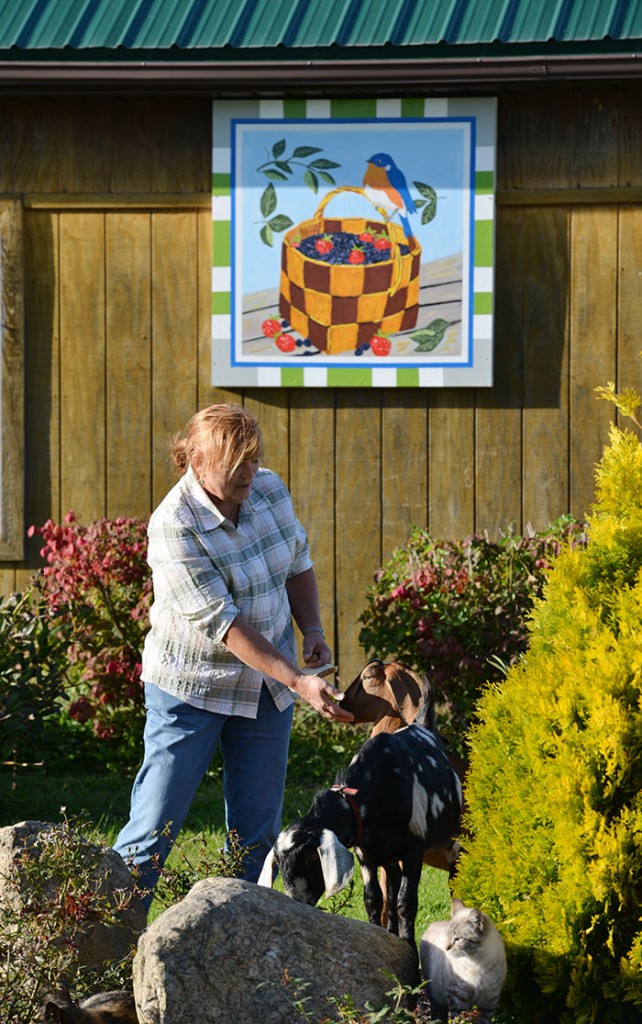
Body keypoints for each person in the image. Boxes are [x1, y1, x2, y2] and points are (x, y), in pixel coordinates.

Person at [114, 403, 353, 909]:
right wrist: (299, 680)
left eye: (253, 457)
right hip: (191, 689)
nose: (249, 471)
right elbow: (227, 627)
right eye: (235, 461)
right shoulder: (174, 526)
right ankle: (105, 946)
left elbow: (297, 562)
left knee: (256, 837)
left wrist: (310, 627)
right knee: (153, 828)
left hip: (266, 688)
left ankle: (240, 951)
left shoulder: (267, 488)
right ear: (195, 461)